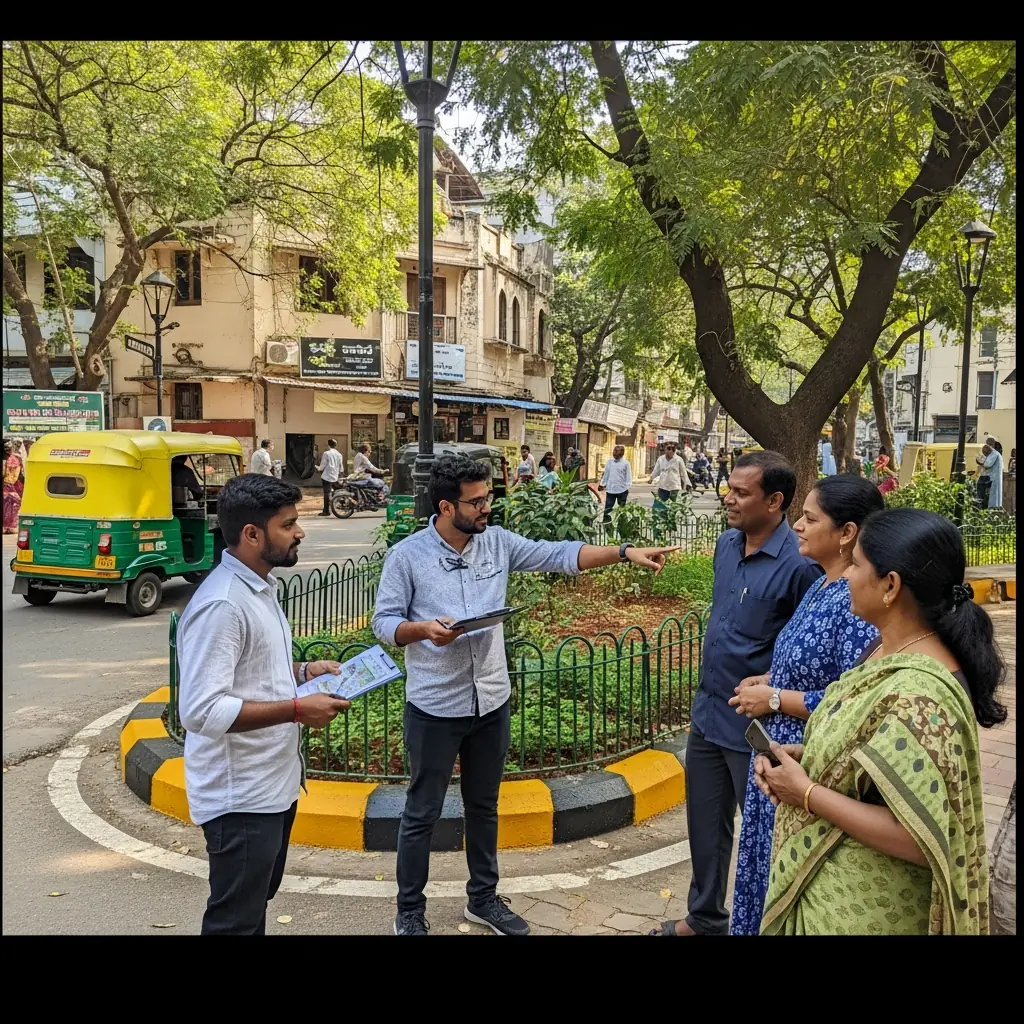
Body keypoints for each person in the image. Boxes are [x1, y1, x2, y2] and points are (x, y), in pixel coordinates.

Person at [371, 455, 677, 936]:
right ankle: (409, 910)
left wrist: (623, 551)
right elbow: (384, 623)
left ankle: (483, 899)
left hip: (491, 700)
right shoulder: (407, 557)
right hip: (435, 706)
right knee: (422, 812)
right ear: (447, 507)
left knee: (484, 805)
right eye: (476, 502)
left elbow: (559, 554)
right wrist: (424, 629)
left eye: (488, 497)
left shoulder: (497, 543)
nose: (487, 507)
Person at [754, 508, 1007, 935]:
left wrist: (808, 793)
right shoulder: (882, 650)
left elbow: (916, 837)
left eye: (856, 565)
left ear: (890, 585)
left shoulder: (921, 696)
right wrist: (810, 757)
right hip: (831, 897)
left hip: (870, 909)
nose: (847, 577)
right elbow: (870, 762)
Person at [650, 451, 823, 937]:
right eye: (728, 487)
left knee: (765, 838)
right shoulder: (726, 545)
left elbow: (807, 648)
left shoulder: (800, 566)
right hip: (709, 713)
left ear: (774, 501)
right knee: (705, 827)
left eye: (741, 492)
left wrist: (771, 685)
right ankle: (704, 917)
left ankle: (768, 923)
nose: (728, 498)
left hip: (759, 728)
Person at [177, 475, 351, 935]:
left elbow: (250, 669)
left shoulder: (257, 586)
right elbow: (201, 711)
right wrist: (297, 709)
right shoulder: (223, 605)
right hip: (241, 801)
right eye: (288, 524)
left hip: (271, 788)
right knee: (234, 922)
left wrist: (302, 671)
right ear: (252, 534)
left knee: (251, 912)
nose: (300, 532)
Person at [726, 474, 884, 934]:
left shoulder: (855, 602)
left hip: (807, 767)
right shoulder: (821, 585)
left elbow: (851, 700)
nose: (797, 525)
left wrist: (774, 698)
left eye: (811, 519)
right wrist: (771, 679)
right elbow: (811, 665)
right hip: (779, 766)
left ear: (847, 532)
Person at [599, 444, 632, 523]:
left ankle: (622, 525)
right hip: (611, 490)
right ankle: (606, 524)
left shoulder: (626, 463)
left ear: (622, 454)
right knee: (608, 509)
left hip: (622, 490)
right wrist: (602, 484)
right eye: (614, 453)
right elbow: (606, 474)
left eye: (617, 454)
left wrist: (627, 487)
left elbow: (628, 476)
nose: (615, 455)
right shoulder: (609, 462)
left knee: (621, 510)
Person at [316, 438, 343, 516]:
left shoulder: (326, 453)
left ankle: (326, 511)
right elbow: (341, 467)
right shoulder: (339, 454)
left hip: (327, 477)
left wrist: (317, 467)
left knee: (327, 494)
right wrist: (340, 475)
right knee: (336, 492)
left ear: (328, 445)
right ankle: (337, 506)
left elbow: (322, 467)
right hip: (335, 477)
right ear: (336, 446)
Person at [3, 440, 25, 534]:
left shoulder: (10, 459)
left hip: (10, 485)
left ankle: (7, 526)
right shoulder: (17, 459)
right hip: (12, 485)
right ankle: (9, 526)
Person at [976, 435, 1004, 509]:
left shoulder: (994, 454)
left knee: (991, 498)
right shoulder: (996, 453)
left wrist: (979, 462)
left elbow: (987, 465)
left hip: (992, 479)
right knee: (995, 497)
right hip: (993, 478)